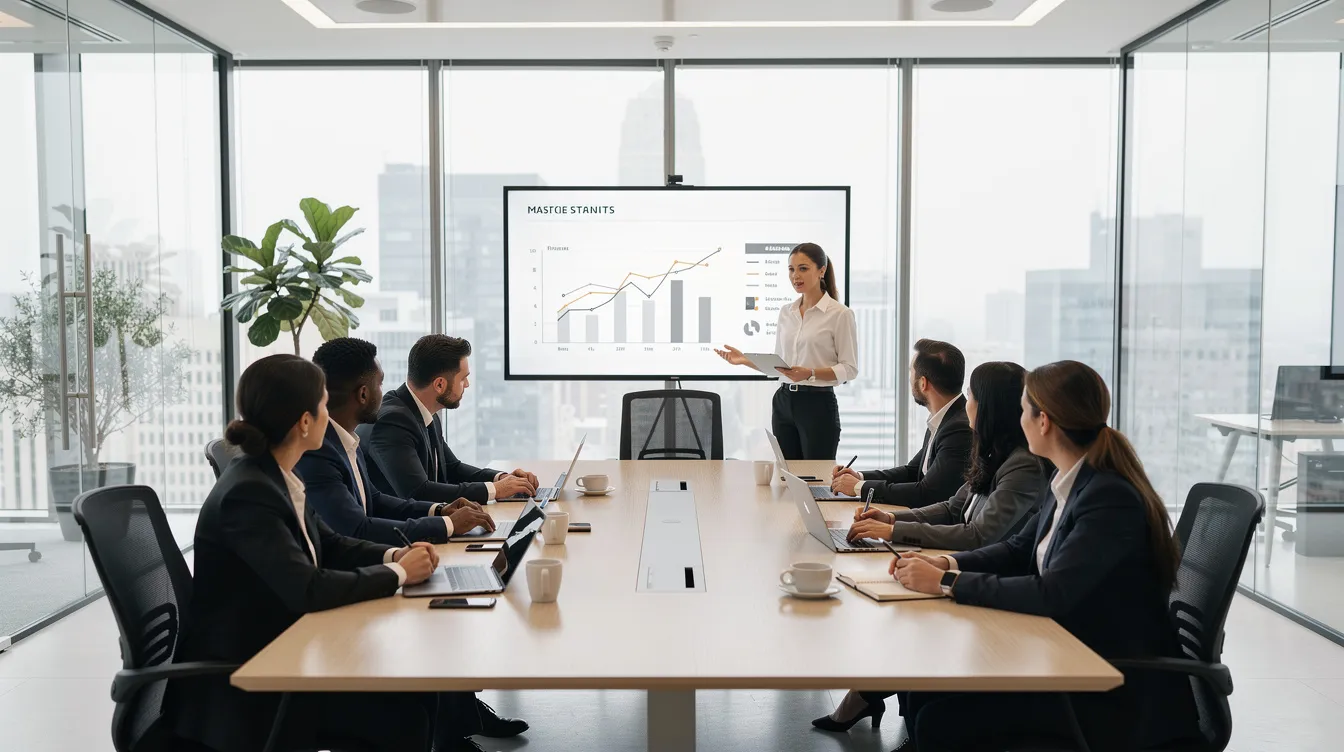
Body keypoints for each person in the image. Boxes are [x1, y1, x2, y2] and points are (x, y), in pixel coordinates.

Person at [170, 354, 488, 752]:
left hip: (284, 647)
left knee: (418, 693)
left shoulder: (274, 474)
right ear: (304, 422)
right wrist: (400, 575)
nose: (329, 413)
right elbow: (308, 589)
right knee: (405, 713)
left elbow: (331, 543)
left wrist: (394, 557)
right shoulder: (249, 493)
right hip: (251, 683)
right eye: (322, 405)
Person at [883, 361, 1196, 752]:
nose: (1019, 419)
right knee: (922, 690)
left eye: (1023, 410)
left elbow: (1052, 594)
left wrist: (947, 584)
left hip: (1106, 685)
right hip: (1065, 651)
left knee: (939, 718)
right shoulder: (1067, 479)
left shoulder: (1108, 498)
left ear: (1043, 421)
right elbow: (1018, 549)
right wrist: (946, 564)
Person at [812, 361, 1045, 735]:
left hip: (990, 579)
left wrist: (900, 537)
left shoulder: (1023, 467)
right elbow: (954, 507)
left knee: (907, 618)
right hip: (975, 568)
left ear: (987, 407)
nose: (965, 402)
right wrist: (893, 524)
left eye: (971, 396)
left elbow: (977, 535)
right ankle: (873, 697)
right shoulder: (993, 453)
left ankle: (874, 699)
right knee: (896, 607)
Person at [298, 337, 497, 545]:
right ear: (363, 394)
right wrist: (447, 524)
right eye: (380, 383)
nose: (383, 392)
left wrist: (440, 510)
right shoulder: (319, 453)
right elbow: (357, 528)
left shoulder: (347, 442)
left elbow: (375, 500)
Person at [715, 242, 858, 460]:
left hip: (817, 404)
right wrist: (744, 360)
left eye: (803, 268)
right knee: (787, 476)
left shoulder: (840, 314)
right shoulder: (786, 312)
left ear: (822, 270)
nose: (795, 276)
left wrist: (810, 373)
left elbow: (849, 369)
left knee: (816, 479)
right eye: (791, 269)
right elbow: (781, 366)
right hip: (783, 402)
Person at [360, 334, 540, 504]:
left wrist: (502, 479)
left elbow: (452, 468)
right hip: (398, 532)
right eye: (463, 379)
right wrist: (495, 490)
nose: (467, 385)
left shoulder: (425, 413)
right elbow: (418, 492)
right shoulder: (393, 421)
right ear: (439, 384)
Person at [831, 338, 971, 506]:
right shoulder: (944, 417)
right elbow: (913, 471)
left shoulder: (958, 429)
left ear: (923, 383)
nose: (909, 379)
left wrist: (859, 487)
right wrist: (859, 477)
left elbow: (928, 493)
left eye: (911, 373)